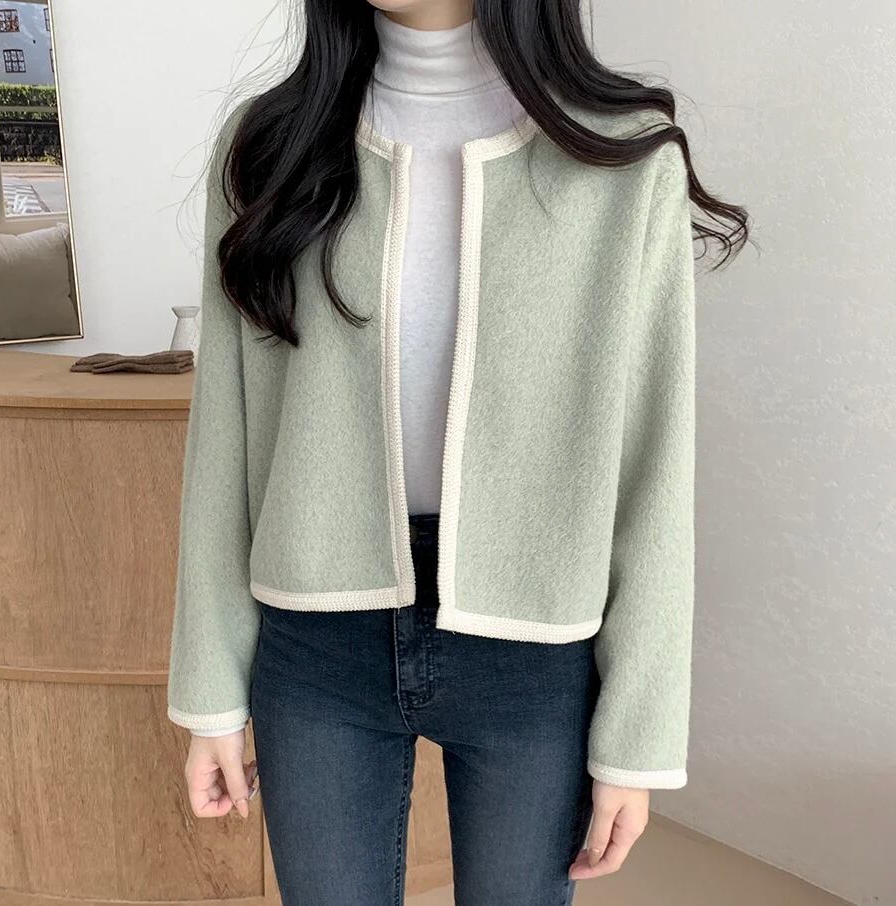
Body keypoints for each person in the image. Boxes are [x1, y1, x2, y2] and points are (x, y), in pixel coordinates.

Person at [166, 1, 748, 903]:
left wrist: (639, 737)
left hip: (535, 644)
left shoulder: (623, 158)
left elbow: (653, 470)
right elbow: (225, 435)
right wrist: (209, 691)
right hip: (315, 637)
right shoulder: (270, 145)